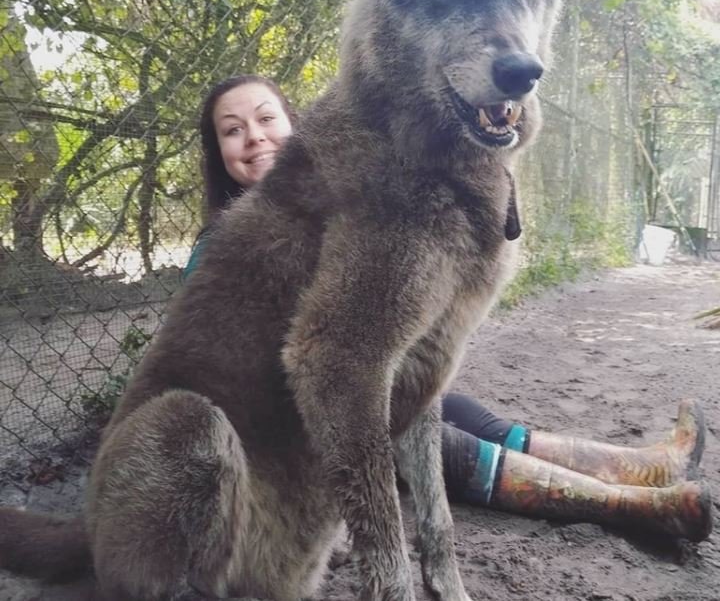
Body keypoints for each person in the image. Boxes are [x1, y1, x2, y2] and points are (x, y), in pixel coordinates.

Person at [184, 74, 711, 542]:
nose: (254, 137)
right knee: (435, 437)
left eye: (266, 119)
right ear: (220, 151)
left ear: (295, 127)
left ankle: (641, 466)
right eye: (233, 130)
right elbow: (249, 371)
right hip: (291, 425)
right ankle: (633, 506)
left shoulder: (339, 209)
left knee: (454, 406)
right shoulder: (218, 249)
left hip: (351, 387)